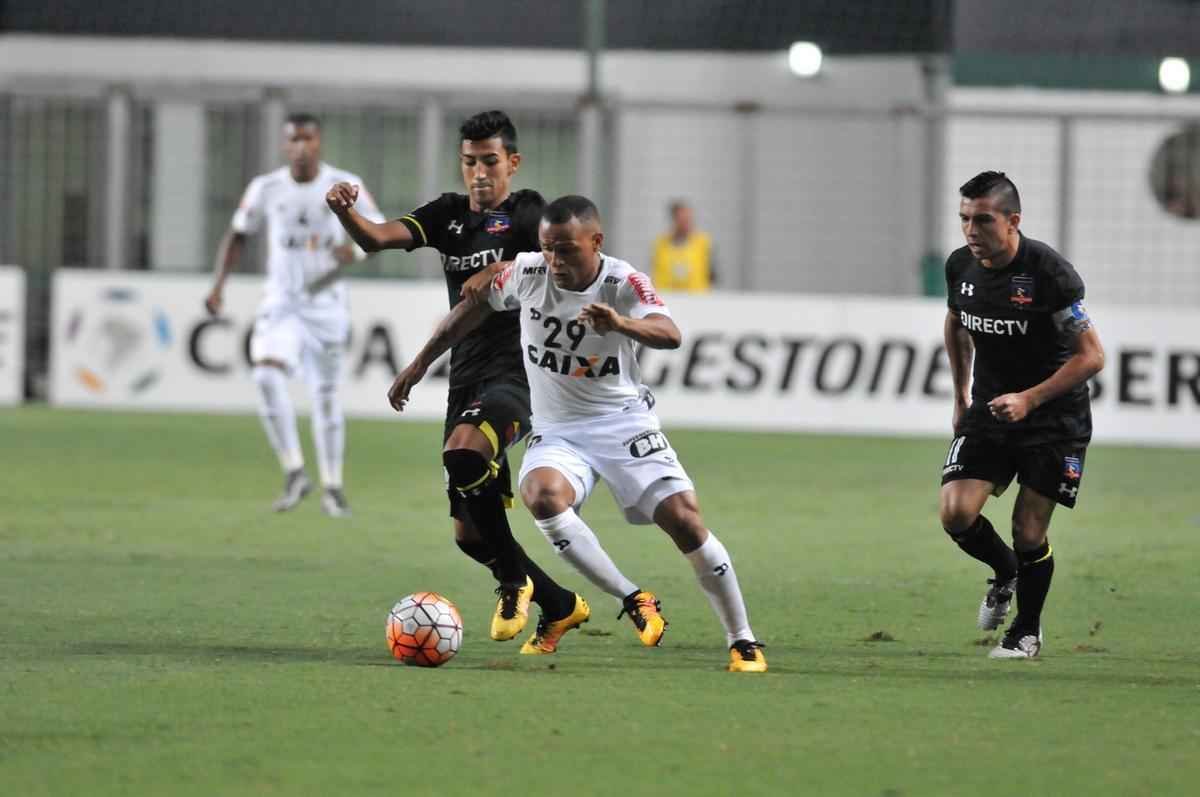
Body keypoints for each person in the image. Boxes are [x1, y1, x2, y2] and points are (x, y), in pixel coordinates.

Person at [387, 195, 767, 672]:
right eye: (548, 248)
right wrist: (420, 364)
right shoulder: (527, 273)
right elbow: (475, 304)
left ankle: (742, 639)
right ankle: (632, 598)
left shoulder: (621, 280)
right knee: (540, 495)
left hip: (623, 423)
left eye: (566, 250)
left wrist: (621, 322)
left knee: (685, 520)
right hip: (559, 431)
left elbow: (670, 334)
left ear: (596, 242)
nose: (555, 260)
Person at [325, 110, 614, 651]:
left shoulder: (529, 213)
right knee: (469, 534)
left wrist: (510, 267)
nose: (479, 173)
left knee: (465, 453)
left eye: (489, 161)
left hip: (521, 372)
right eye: (469, 162)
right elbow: (375, 238)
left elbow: (566, 251)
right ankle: (560, 605)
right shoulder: (448, 215)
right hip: (467, 374)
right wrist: (348, 213)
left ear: (512, 162)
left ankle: (514, 582)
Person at [940, 171, 1105, 659]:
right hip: (991, 408)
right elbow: (955, 323)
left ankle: (1026, 633)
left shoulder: (1048, 275)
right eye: (965, 219)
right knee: (955, 514)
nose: (971, 230)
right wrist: (959, 394)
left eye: (983, 220)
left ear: (1013, 221)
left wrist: (1030, 399)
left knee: (1029, 530)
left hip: (1054, 419)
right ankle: (1006, 571)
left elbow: (1091, 356)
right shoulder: (960, 268)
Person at [205, 113, 383, 518]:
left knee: (324, 396)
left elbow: (379, 234)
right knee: (265, 373)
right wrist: (218, 286)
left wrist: (352, 251)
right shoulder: (266, 188)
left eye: (308, 139)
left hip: (326, 306)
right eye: (293, 140)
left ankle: (333, 486)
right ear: (285, 146)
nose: (301, 147)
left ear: (319, 142)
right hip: (281, 304)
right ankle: (294, 470)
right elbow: (237, 234)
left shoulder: (343, 185)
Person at [650, 200, 715, 292]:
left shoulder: (703, 243)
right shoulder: (660, 244)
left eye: (688, 219)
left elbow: (712, 275)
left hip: (697, 298)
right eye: (682, 220)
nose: (686, 224)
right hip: (668, 297)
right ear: (674, 220)